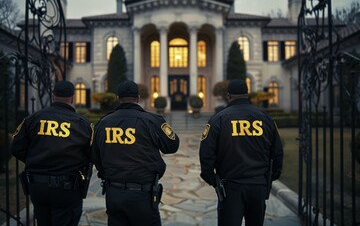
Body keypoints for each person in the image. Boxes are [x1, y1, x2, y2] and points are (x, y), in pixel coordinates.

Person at [92, 80, 179, 226]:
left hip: (114, 192)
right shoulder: (152, 121)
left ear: (118, 98)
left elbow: (94, 155)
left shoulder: (103, 123)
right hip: (143, 194)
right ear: (138, 98)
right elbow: (172, 145)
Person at [199, 79, 284, 226]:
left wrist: (214, 181)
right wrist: (270, 177)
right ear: (247, 94)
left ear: (228, 95)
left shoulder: (218, 119)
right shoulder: (265, 118)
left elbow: (206, 155)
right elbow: (277, 152)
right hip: (258, 185)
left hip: (231, 187)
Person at [11, 80, 93, 226]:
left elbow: (17, 148)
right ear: (73, 98)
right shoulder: (83, 123)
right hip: (66, 187)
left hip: (38, 186)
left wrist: (36, 160)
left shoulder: (33, 119)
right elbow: (92, 154)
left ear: (53, 96)